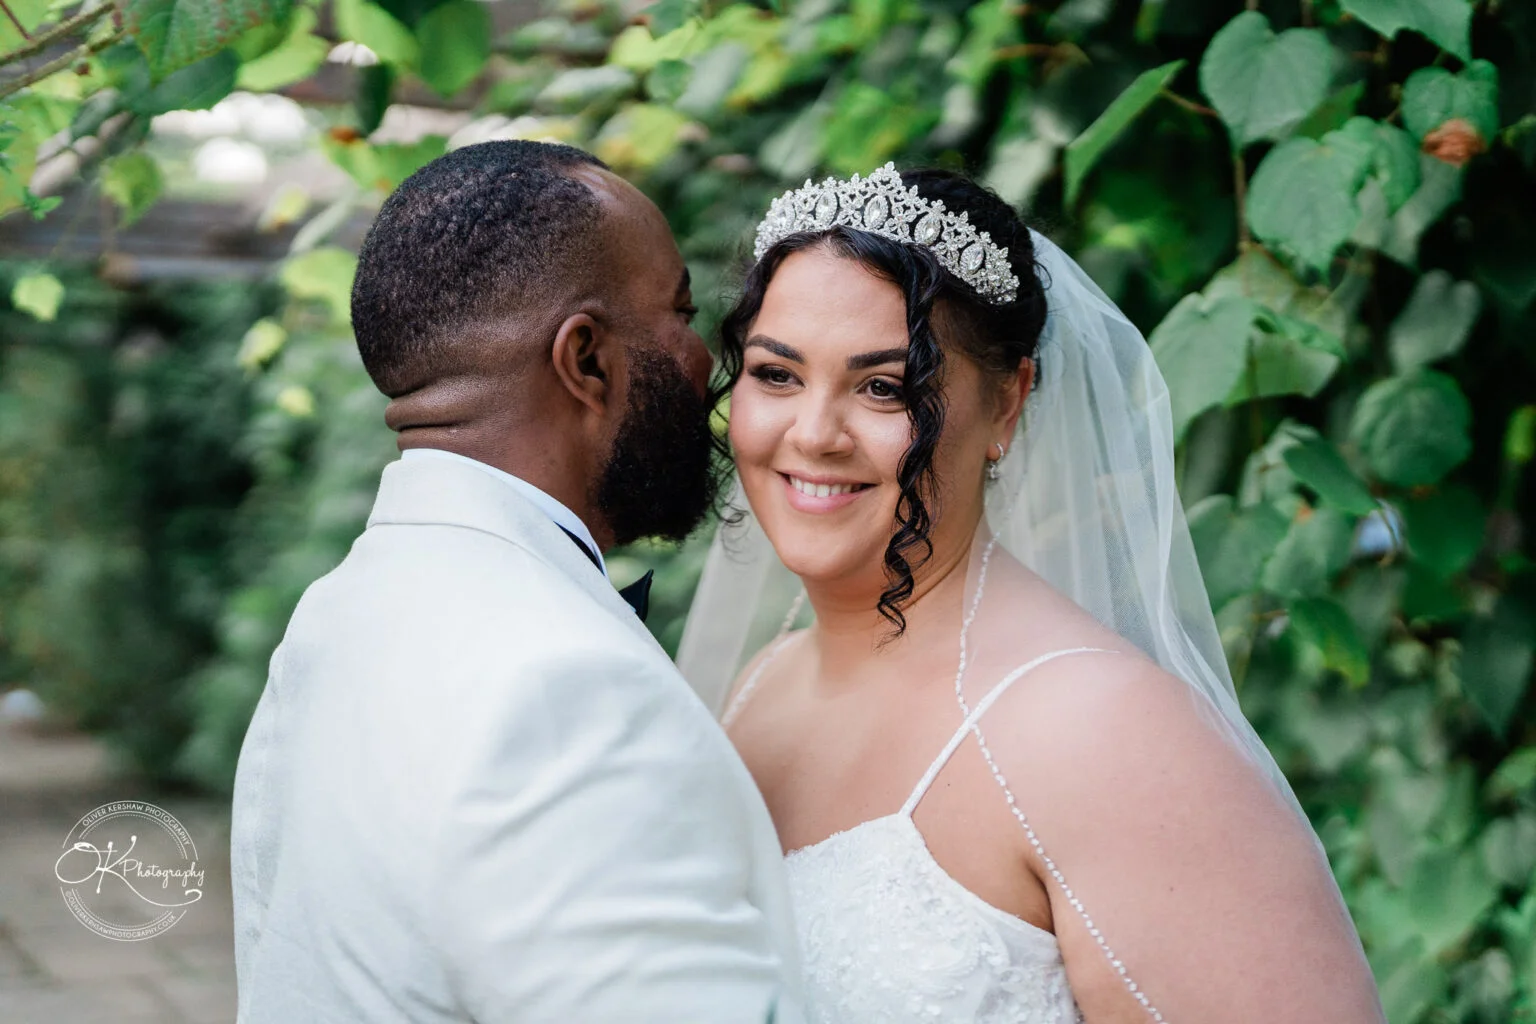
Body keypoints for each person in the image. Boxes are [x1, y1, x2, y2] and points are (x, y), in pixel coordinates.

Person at [678, 165, 1386, 1022]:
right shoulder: (758, 688)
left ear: (1006, 406)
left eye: (884, 388)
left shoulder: (1103, 732)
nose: (814, 434)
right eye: (776, 374)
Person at [230, 141, 802, 1023]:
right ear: (587, 361)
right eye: (681, 315)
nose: (708, 364)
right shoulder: (564, 691)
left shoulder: (335, 613)